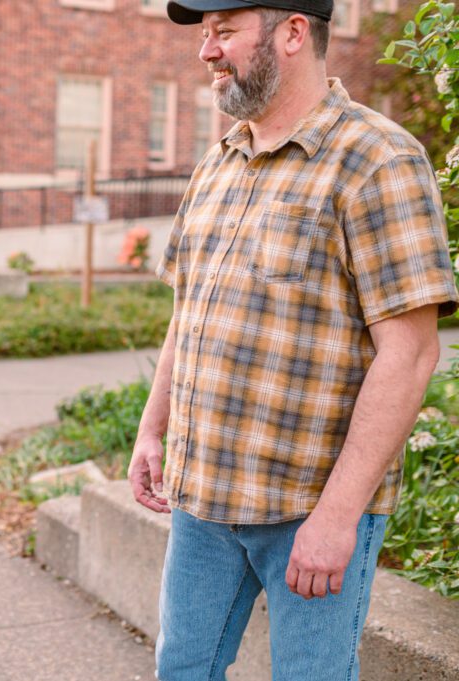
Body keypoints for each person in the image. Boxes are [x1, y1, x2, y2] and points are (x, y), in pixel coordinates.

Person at [128, 1, 459, 678]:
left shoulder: (378, 159)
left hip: (310, 505)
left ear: (293, 33)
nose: (206, 52)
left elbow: (412, 352)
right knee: (180, 669)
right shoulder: (218, 161)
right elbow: (187, 311)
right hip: (203, 501)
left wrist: (338, 518)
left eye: (222, 32)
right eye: (204, 35)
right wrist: (151, 428)